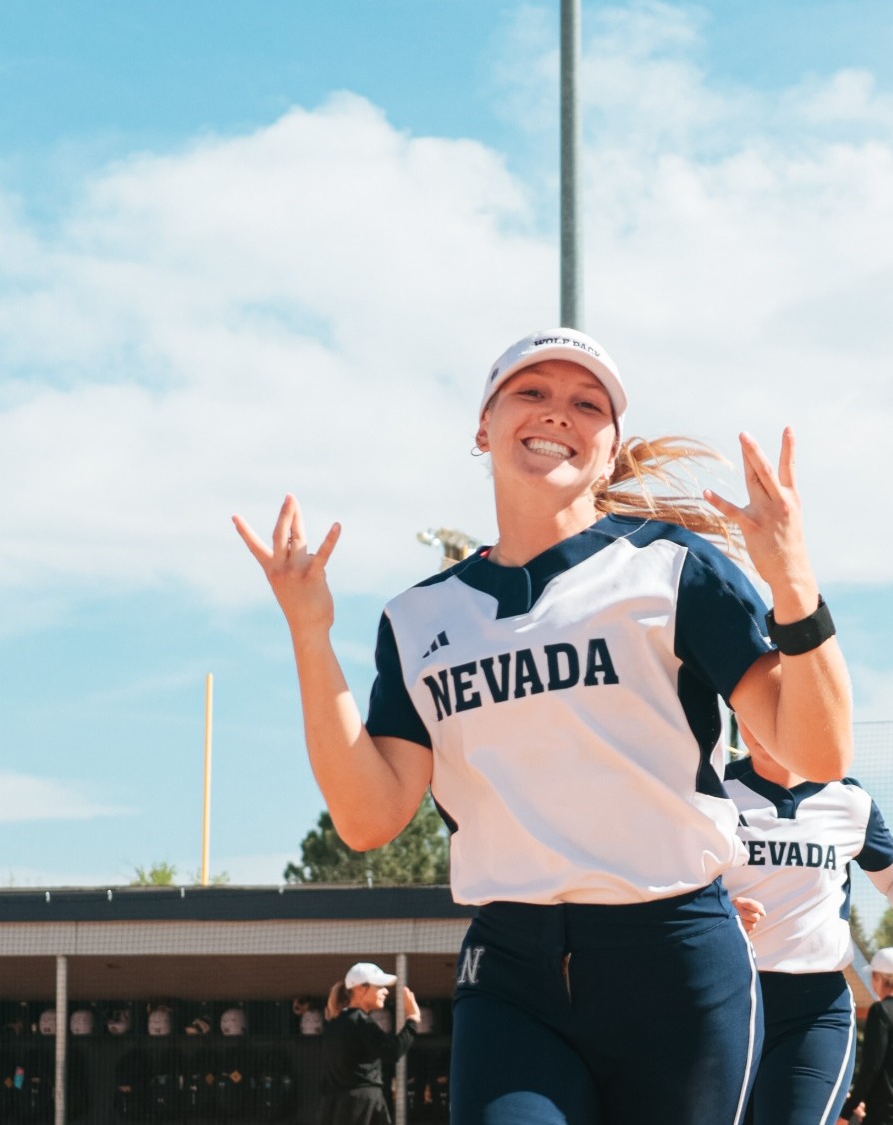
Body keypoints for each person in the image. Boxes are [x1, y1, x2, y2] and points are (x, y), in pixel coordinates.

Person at [234, 327, 854, 1125]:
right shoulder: (420, 617)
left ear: (610, 446)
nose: (558, 412)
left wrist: (794, 584)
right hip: (512, 972)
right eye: (531, 391)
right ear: (483, 426)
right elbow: (368, 816)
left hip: (675, 962)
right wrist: (309, 632)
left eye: (587, 403)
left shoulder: (674, 568)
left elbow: (819, 751)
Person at [723, 720, 893, 1125]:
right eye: (746, 711)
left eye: (771, 712)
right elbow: (672, 881)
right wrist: (720, 909)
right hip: (726, 999)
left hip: (814, 1009)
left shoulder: (848, 800)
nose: (756, 723)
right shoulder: (712, 792)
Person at [319, 963, 421, 1125]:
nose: (385, 991)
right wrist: (412, 1019)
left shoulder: (334, 1024)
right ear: (360, 989)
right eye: (379, 986)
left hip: (338, 1104)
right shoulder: (360, 1021)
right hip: (361, 1103)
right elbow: (392, 1051)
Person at [839, 947, 893, 1125]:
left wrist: (846, 1112)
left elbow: (871, 1065)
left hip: (885, 1112)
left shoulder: (880, 1011)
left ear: (877, 977)